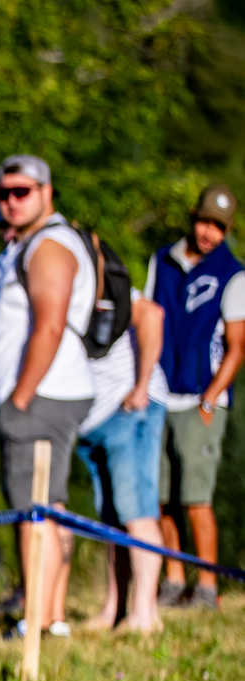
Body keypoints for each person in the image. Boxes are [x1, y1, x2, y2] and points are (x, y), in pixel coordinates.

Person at [0, 155, 97, 638]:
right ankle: (52, 618)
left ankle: (37, 620)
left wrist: (19, 399)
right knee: (49, 506)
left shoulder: (49, 246)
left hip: (41, 397)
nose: (11, 201)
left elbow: (50, 326)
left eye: (22, 191)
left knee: (32, 511)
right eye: (4, 193)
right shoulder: (24, 244)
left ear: (47, 192)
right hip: (35, 395)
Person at [146, 183, 243, 612]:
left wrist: (209, 399)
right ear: (193, 217)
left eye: (218, 227)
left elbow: (237, 347)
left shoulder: (233, 274)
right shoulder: (162, 261)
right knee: (162, 496)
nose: (208, 233)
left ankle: (206, 586)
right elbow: (150, 319)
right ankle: (173, 579)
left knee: (196, 498)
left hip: (201, 400)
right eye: (205, 222)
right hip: (161, 394)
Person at [73, 293, 166, 633]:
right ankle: (115, 609)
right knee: (113, 520)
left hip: (129, 409)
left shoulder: (103, 281)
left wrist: (141, 387)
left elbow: (152, 315)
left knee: (136, 512)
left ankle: (145, 615)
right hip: (95, 420)